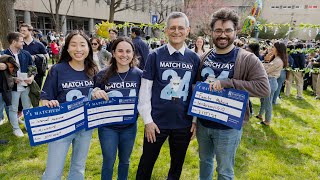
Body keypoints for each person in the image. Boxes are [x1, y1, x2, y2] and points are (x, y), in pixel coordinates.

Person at [196, 8, 269, 179]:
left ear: (235, 32)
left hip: (228, 127)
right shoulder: (204, 57)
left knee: (224, 171)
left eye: (228, 30)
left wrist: (228, 83)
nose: (223, 35)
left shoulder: (247, 59)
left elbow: (263, 88)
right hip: (203, 123)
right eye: (218, 31)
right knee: (204, 161)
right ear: (211, 32)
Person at [136, 12, 200, 180]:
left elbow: (196, 92)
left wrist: (194, 120)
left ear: (188, 30)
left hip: (183, 123)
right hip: (156, 122)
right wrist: (148, 121)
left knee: (176, 166)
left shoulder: (194, 58)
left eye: (180, 28)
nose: (176, 31)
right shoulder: (155, 55)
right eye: (172, 28)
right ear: (166, 30)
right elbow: (145, 90)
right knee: (146, 164)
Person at [40, 30, 98, 179]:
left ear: (89, 48)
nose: (78, 49)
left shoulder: (93, 69)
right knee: (53, 173)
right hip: (61, 126)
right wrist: (49, 103)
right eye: (73, 45)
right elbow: (44, 98)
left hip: (85, 127)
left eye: (82, 45)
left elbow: (98, 94)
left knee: (78, 169)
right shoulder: (58, 70)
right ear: (67, 48)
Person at [91, 37, 142, 180]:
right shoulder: (102, 75)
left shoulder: (139, 75)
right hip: (108, 127)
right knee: (108, 161)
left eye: (128, 51)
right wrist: (95, 93)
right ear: (113, 53)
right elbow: (92, 94)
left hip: (130, 126)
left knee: (125, 161)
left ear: (133, 54)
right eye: (120, 51)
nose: (124, 55)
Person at [3, 32, 36, 137]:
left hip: (25, 85)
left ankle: (28, 125)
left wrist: (31, 77)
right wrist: (12, 79)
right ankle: (15, 128)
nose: (23, 43)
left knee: (27, 106)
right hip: (12, 87)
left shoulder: (25, 53)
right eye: (21, 41)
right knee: (13, 108)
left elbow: (33, 67)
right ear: (14, 42)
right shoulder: (3, 55)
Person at [256, 41, 287, 125]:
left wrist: (265, 62)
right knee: (263, 99)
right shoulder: (275, 59)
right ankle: (260, 114)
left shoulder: (278, 61)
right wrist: (266, 61)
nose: (271, 49)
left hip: (271, 82)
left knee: (268, 102)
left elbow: (265, 70)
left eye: (273, 47)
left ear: (278, 49)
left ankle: (267, 121)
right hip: (268, 81)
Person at [19, 23, 49, 88]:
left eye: (24, 30)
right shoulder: (19, 44)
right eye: (21, 30)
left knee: (36, 95)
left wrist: (35, 57)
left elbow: (47, 57)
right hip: (23, 73)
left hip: (37, 74)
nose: (22, 32)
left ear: (30, 31)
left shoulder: (39, 44)